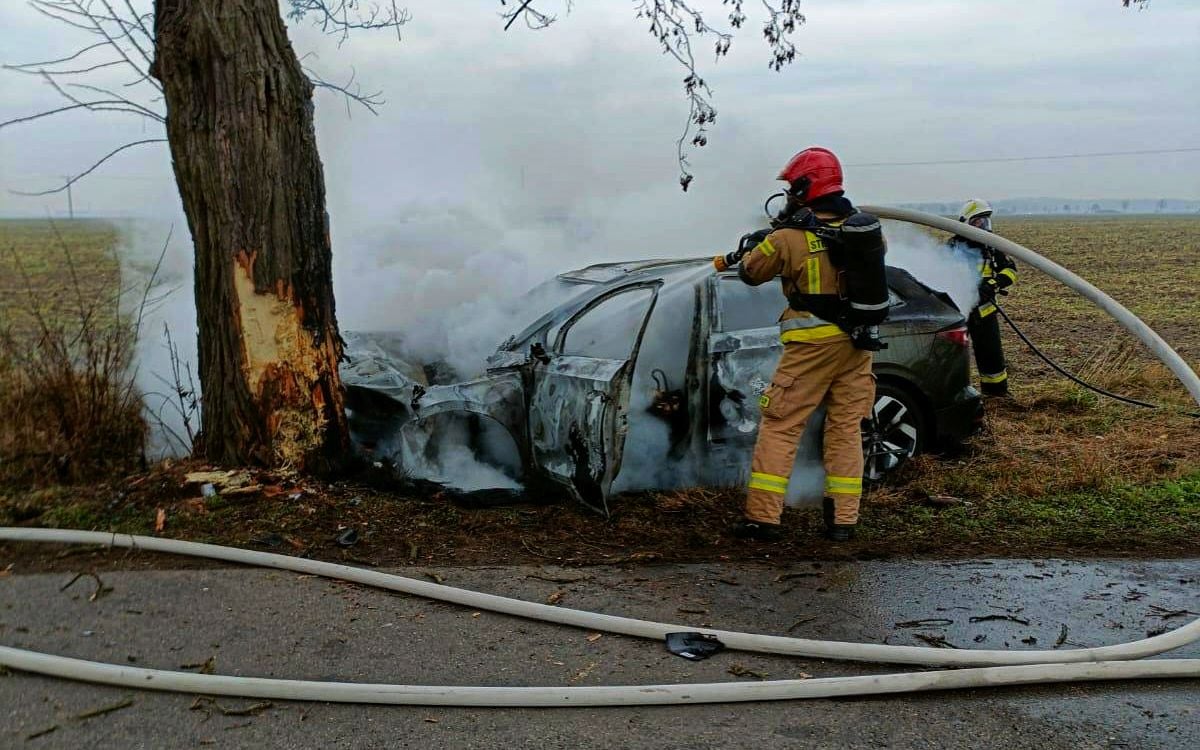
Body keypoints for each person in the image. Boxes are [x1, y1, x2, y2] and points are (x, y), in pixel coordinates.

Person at [722, 147, 888, 543]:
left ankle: (763, 518)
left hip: (811, 345)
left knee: (781, 424)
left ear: (804, 187)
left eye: (792, 188)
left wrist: (763, 241)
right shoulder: (864, 231)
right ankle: (843, 521)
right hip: (856, 344)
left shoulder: (787, 237)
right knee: (845, 429)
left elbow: (750, 273)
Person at [948, 199, 1017, 396]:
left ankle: (997, 394)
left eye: (986, 221)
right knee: (953, 356)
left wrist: (993, 284)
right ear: (966, 223)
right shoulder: (952, 247)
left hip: (985, 312)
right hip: (959, 312)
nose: (984, 226)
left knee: (991, 354)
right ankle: (954, 396)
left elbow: (1010, 270)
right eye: (979, 222)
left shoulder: (991, 246)